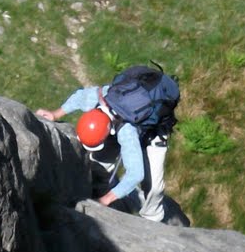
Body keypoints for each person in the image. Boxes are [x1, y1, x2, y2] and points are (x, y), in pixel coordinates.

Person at [36, 80, 171, 222]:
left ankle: (153, 220)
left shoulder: (127, 133)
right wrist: (55, 114)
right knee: (99, 165)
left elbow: (136, 174)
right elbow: (79, 97)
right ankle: (102, 185)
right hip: (116, 124)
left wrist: (104, 201)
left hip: (152, 133)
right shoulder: (97, 99)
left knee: (153, 188)